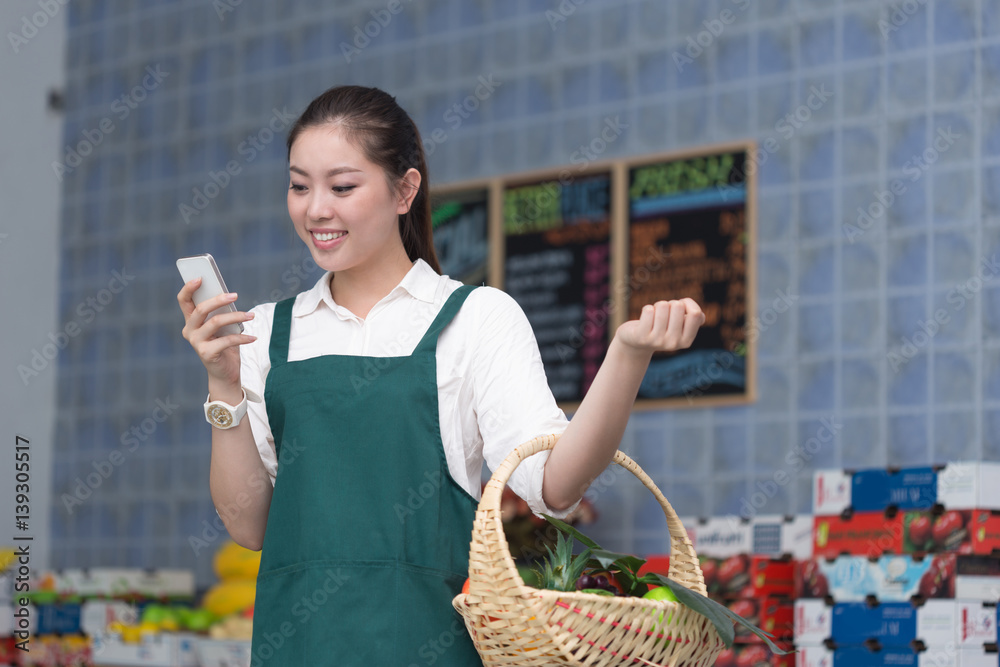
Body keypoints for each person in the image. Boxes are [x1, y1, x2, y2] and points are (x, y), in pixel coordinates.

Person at [177, 85, 704, 666]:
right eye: (299, 186)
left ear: (405, 190)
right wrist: (224, 386)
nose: (315, 209)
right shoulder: (265, 334)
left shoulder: (477, 318)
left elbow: (556, 486)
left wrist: (625, 357)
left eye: (343, 186)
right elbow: (249, 526)